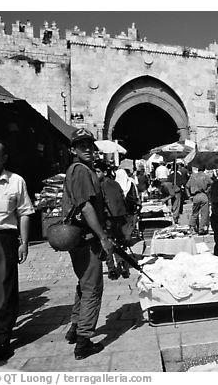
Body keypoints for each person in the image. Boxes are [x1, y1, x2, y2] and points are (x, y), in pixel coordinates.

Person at [62, 128, 114, 360]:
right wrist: (102, 237)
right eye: (82, 146)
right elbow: (86, 206)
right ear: (73, 149)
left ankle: (75, 327)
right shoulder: (81, 171)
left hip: (79, 237)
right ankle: (84, 340)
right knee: (93, 287)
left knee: (84, 283)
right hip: (87, 238)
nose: (88, 149)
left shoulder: (78, 170)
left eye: (90, 145)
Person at [0, 139, 35, 361]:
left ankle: (2, 339)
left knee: (5, 289)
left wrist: (24, 242)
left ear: (4, 158)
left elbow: (25, 212)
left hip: (4, 238)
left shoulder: (15, 181)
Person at [94, 161, 128, 280]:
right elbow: (123, 200)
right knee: (117, 242)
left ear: (104, 172)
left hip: (108, 219)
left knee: (108, 243)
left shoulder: (99, 186)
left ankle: (112, 268)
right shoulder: (115, 183)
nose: (95, 174)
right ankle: (121, 264)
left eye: (97, 171)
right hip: (118, 217)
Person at [186, 166, 213, 234]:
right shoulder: (206, 176)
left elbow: (187, 186)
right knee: (204, 214)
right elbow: (212, 183)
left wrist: (189, 196)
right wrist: (207, 190)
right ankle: (202, 229)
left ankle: (192, 228)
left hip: (195, 196)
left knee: (194, 213)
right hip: (203, 195)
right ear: (204, 169)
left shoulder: (193, 176)